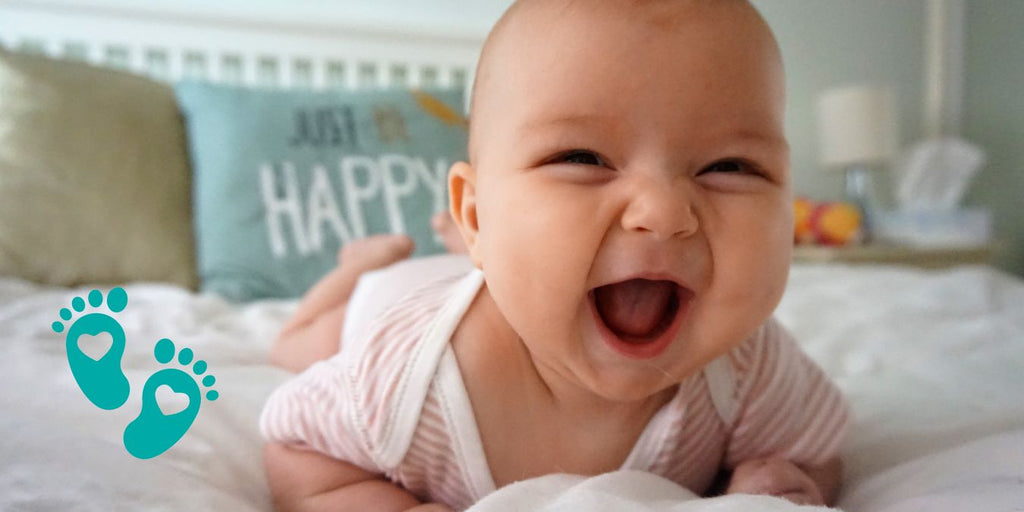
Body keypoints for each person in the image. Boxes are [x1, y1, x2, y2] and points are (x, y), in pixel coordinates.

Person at [260, 0, 850, 510]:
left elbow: (818, 451)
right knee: (298, 343)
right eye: (583, 159)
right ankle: (361, 264)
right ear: (477, 214)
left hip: (501, 264)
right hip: (392, 299)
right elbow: (293, 445)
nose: (664, 212)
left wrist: (780, 484)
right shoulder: (396, 382)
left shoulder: (750, 369)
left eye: (730, 167)